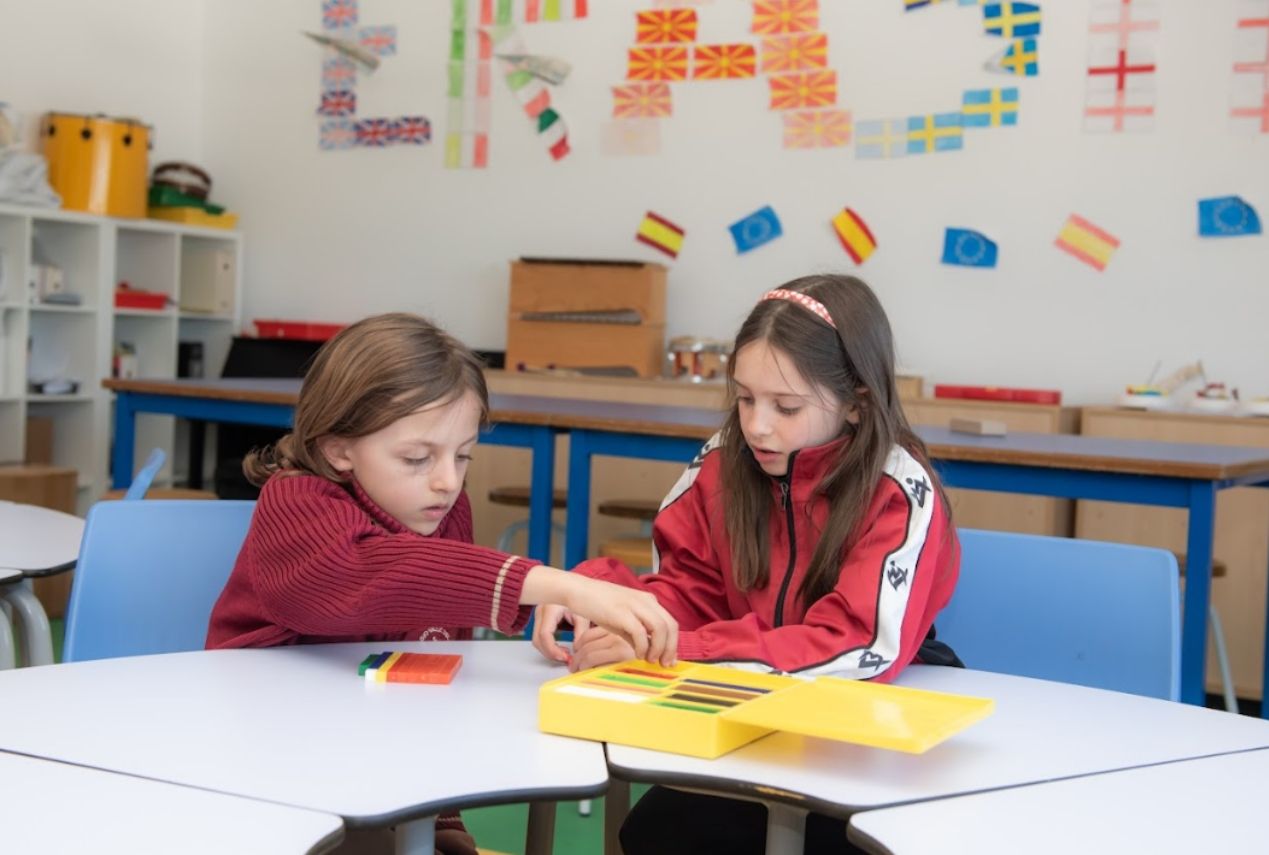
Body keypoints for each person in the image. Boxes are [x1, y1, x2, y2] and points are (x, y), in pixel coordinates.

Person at [206, 312, 677, 855]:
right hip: (266, 780)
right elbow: (363, 579)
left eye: (463, 455)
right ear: (338, 448)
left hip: (369, 772)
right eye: (416, 458)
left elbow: (433, 667)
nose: (447, 481)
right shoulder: (296, 504)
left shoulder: (443, 511)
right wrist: (555, 584)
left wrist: (443, 822)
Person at [533, 275, 961, 855]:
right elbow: (688, 591)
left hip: (869, 706)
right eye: (744, 398)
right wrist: (599, 598)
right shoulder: (722, 464)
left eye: (786, 406)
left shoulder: (898, 491)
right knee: (656, 835)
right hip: (748, 702)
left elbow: (854, 645)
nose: (757, 425)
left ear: (857, 404)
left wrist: (674, 648)